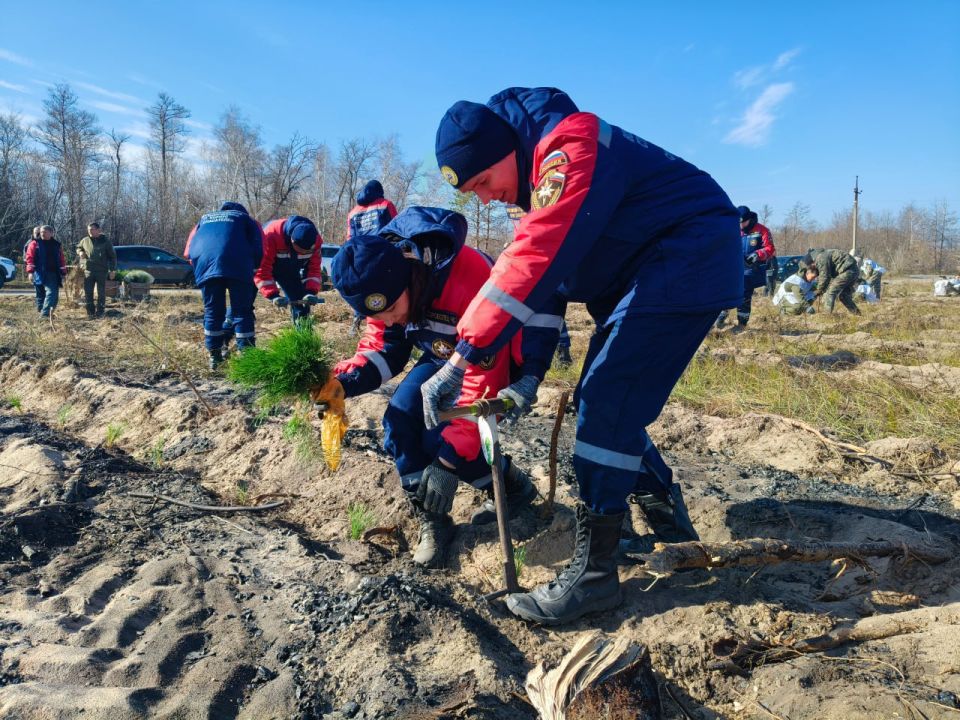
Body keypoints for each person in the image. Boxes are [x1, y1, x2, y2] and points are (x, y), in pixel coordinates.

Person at [424, 87, 742, 625]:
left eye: (483, 182)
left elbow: (535, 257)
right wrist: (527, 376)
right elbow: (544, 290)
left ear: (506, 150)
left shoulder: (571, 145)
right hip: (654, 270)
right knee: (609, 402)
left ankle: (595, 576)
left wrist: (462, 359)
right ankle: (669, 527)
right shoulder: (541, 184)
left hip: (685, 258)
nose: (485, 198)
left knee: (606, 402)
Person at [319, 206, 553, 568]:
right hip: (443, 359)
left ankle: (512, 490)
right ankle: (433, 520)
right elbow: (383, 350)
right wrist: (342, 384)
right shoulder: (385, 284)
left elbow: (483, 372)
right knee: (399, 420)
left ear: (410, 276)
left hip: (497, 360)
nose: (390, 320)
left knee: (444, 441)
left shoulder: (467, 276)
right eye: (376, 316)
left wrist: (445, 464)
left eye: (392, 308)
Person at [184, 202, 263, 369]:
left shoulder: (203, 220)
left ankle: (214, 357)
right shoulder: (246, 219)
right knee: (241, 311)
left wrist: (202, 268)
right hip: (238, 266)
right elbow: (259, 247)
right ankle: (247, 358)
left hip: (206, 267)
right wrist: (253, 267)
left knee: (213, 312)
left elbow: (188, 252)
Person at [345, 180, 398, 336]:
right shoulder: (385, 205)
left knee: (362, 288)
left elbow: (350, 237)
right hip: (381, 254)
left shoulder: (353, 212)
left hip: (360, 256)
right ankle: (386, 324)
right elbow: (395, 228)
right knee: (386, 287)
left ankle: (357, 321)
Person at [715, 206, 775, 330]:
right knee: (727, 291)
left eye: (743, 222)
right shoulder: (734, 230)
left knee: (744, 294)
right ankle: (720, 317)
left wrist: (757, 255)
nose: (741, 225)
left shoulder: (762, 230)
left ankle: (741, 324)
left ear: (749, 219)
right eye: (739, 223)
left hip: (751, 269)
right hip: (735, 268)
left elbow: (770, 249)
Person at [254, 215, 323, 322]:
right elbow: (262, 269)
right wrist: (273, 295)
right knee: (244, 303)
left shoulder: (316, 239)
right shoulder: (271, 234)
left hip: (288, 271)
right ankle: (229, 329)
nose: (304, 253)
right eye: (301, 250)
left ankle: (303, 335)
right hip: (257, 266)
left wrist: (310, 291)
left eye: (308, 251)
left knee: (302, 304)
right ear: (292, 240)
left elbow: (313, 269)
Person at [76, 222, 117, 318]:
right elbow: (78, 247)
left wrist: (112, 270)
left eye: (93, 229)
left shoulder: (105, 241)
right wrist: (80, 252)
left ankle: (100, 312)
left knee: (101, 292)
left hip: (101, 271)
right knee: (88, 292)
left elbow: (112, 257)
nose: (90, 231)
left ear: (99, 230)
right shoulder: (85, 240)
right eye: (89, 229)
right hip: (88, 271)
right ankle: (90, 312)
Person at [25, 225, 66, 318]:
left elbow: (61, 259)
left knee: (53, 294)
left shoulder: (57, 244)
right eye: (41, 231)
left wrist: (63, 273)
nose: (42, 233)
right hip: (39, 272)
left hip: (53, 273)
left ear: (51, 233)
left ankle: (47, 313)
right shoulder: (35, 243)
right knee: (43, 293)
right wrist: (30, 272)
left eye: (45, 232)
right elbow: (29, 258)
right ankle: (43, 314)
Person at [808, 248, 861, 314]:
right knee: (843, 296)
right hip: (854, 271)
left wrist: (818, 290)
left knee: (831, 292)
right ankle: (857, 314)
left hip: (847, 271)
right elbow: (827, 277)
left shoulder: (820, 258)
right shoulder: (826, 254)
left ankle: (827, 316)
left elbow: (825, 277)